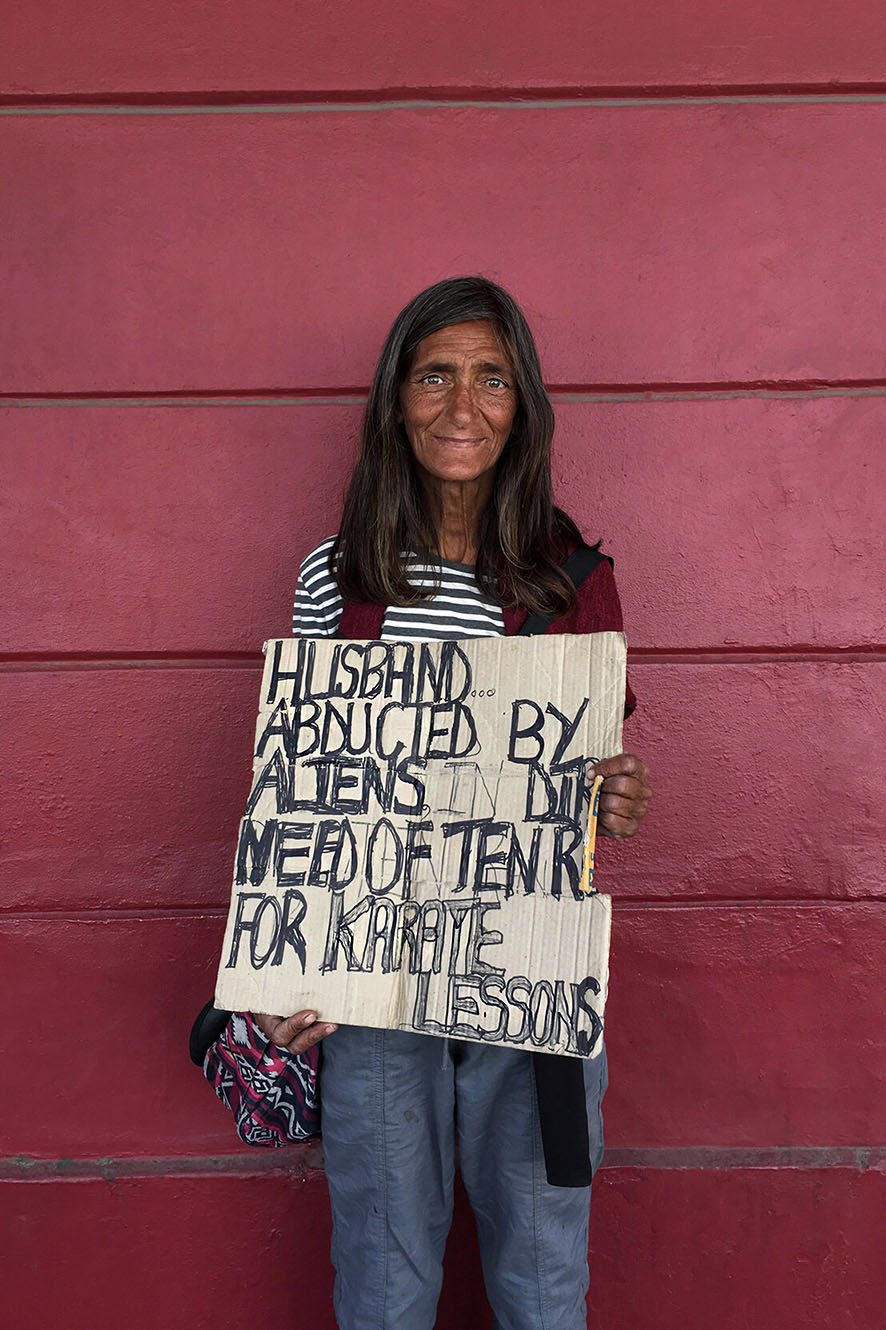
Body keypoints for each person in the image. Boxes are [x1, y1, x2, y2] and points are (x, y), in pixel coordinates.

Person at [244, 277, 652, 1329]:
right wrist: (289, 965)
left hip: (528, 983)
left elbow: (594, 778)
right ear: (395, 399)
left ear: (522, 408)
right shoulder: (337, 581)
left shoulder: (571, 579)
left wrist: (614, 796)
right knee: (382, 1274)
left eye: (490, 378)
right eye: (434, 375)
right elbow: (309, 786)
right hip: (375, 990)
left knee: (542, 1271)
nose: (460, 404)